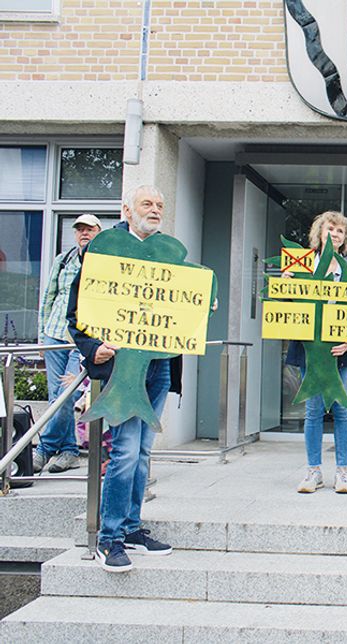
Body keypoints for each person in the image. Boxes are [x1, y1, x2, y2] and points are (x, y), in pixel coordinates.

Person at [67, 185, 183, 572]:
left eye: (160, 205)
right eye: (147, 204)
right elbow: (77, 312)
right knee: (126, 452)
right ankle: (109, 538)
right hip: (121, 368)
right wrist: (91, 347)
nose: (154, 210)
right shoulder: (103, 249)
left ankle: (132, 528)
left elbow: (181, 303)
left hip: (159, 367)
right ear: (127, 209)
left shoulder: (169, 252)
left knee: (144, 451)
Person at [286, 211, 347, 495]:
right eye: (331, 228)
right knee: (313, 410)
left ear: (346, 238)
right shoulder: (299, 263)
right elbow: (284, 305)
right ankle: (313, 472)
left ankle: (342, 473)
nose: (336, 234)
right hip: (309, 350)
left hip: (344, 349)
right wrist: (286, 282)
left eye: (341, 231)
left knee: (342, 410)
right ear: (319, 232)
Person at [33, 214, 101, 474]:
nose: (84, 233)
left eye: (90, 229)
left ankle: (45, 447)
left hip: (81, 340)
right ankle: (69, 450)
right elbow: (48, 298)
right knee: (55, 396)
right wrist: (41, 336)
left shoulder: (102, 263)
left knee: (68, 394)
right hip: (54, 334)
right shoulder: (63, 260)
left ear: (99, 232)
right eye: (80, 230)